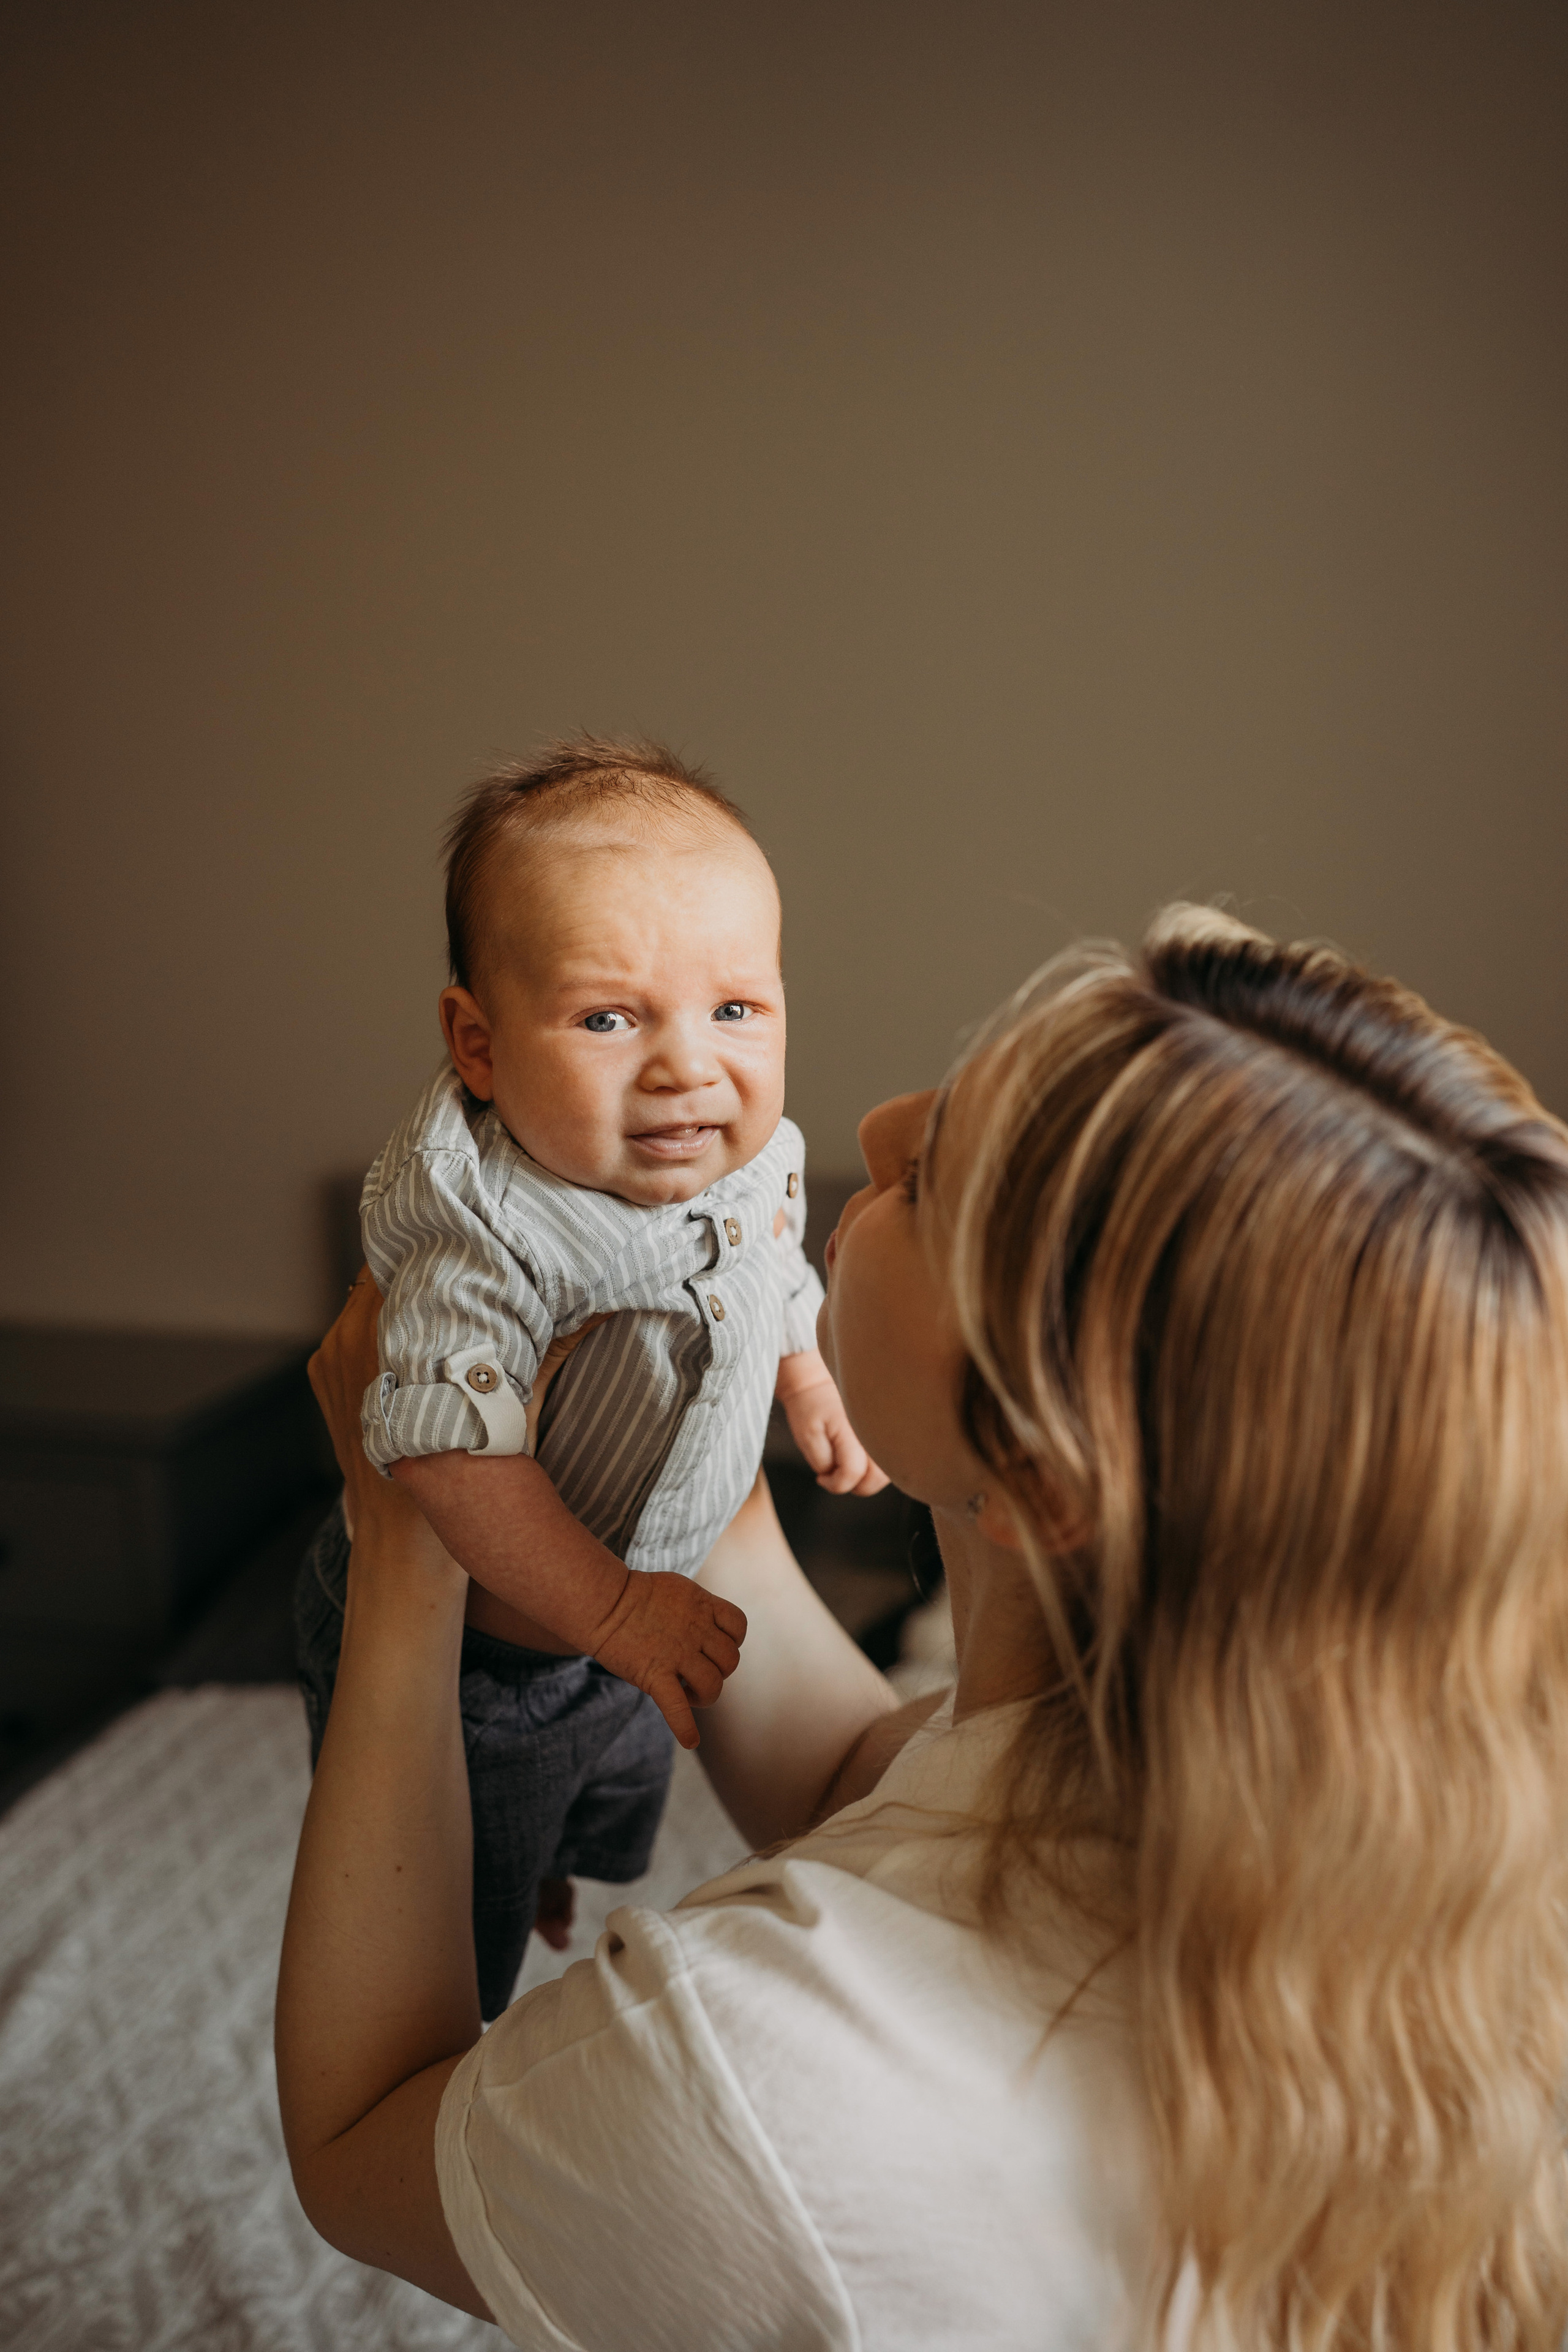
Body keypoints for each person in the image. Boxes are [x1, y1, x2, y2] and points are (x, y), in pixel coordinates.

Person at [277, 904, 1568, 2350]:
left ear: (1034, 1474)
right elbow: (865, 1786)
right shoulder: (1362, 1810)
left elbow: (358, 2139)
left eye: (940, 1172)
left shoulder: (747, 2075)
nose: (878, 1122)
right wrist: (658, 1407)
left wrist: (408, 1537)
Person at [295, 736, 884, 2017]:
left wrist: (813, 1382)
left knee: (621, 1788)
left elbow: (768, 1264)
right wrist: (612, 1613)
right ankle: (514, 1876)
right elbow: (450, 1456)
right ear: (480, 1047)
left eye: (736, 1009)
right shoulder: (485, 1229)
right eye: (608, 1018)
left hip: (643, 1598)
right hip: (475, 1661)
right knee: (469, 1908)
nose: (687, 1066)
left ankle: (561, 1851)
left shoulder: (750, 1150)